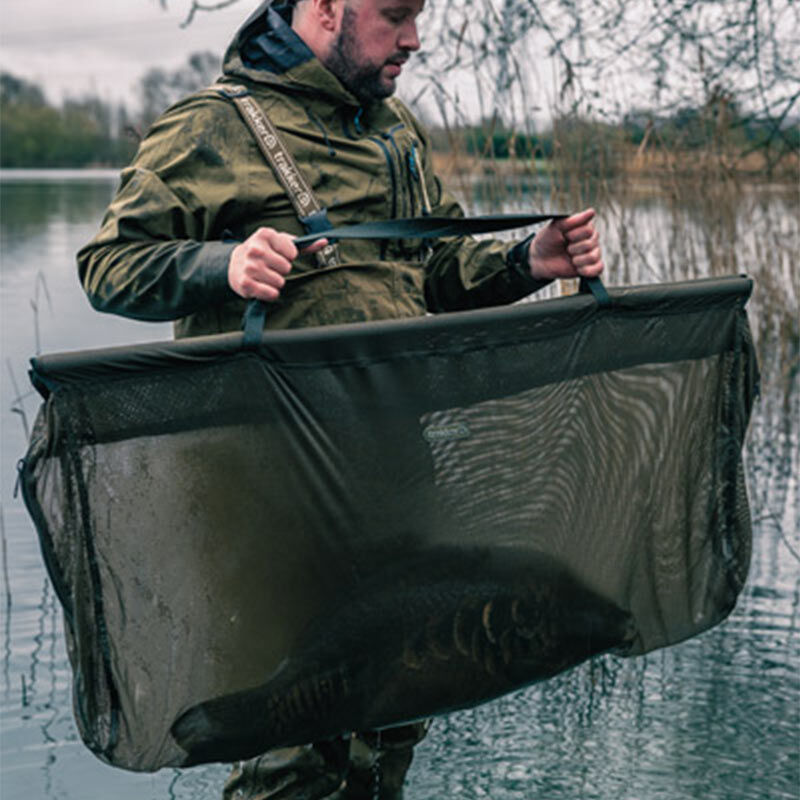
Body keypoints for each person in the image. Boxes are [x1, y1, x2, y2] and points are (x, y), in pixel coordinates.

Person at [77, 1, 605, 797]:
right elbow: (108, 266)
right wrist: (220, 267)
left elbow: (431, 274)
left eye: (417, 16)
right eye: (394, 16)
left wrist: (528, 260)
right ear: (324, 7)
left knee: (392, 721)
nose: (414, 39)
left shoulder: (396, 133)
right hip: (267, 500)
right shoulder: (210, 127)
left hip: (395, 484)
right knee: (292, 748)